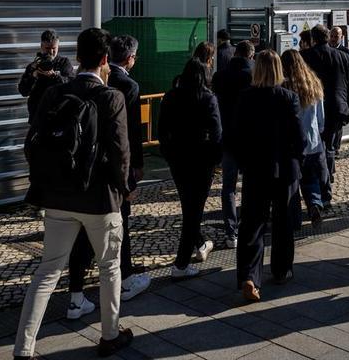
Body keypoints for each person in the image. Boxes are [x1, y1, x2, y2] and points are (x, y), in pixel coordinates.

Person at [13, 28, 133, 359]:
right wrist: (124, 190)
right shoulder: (112, 98)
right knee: (110, 267)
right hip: (100, 199)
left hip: (58, 197)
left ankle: (23, 348)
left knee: (48, 270)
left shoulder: (55, 93)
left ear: (77, 57)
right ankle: (109, 335)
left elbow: (32, 143)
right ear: (106, 60)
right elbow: (121, 153)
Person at [64, 36, 150, 320]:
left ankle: (75, 296)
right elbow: (126, 137)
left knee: (73, 240)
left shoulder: (65, 88)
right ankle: (121, 287)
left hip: (72, 177)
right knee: (117, 230)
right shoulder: (123, 89)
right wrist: (130, 175)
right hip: (107, 176)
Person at [230, 50, 304, 303]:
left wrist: (243, 162)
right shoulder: (289, 98)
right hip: (284, 168)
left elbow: (236, 135)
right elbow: (298, 136)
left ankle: (250, 276)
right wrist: (297, 159)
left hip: (255, 169)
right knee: (283, 221)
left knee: (252, 223)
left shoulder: (246, 98)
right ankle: (282, 269)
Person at [158, 58, 223, 277]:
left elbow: (161, 130)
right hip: (202, 159)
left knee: (189, 206)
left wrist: (168, 154)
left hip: (178, 158)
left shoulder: (170, 96)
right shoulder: (208, 99)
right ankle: (181, 264)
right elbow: (216, 133)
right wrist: (216, 159)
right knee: (194, 210)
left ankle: (200, 243)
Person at [301, 24, 349, 205]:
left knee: (315, 148)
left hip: (313, 107)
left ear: (313, 39)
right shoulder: (342, 56)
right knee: (329, 147)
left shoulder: (305, 56)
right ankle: (328, 179)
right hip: (336, 109)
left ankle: (319, 185)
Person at [212, 40, 254, 249]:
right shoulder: (254, 76)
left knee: (228, 187)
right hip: (249, 139)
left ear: (235, 53)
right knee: (250, 184)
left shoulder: (220, 76)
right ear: (251, 56)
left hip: (228, 138)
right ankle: (249, 226)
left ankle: (231, 232)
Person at [281, 49, 327, 228]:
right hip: (313, 141)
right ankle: (315, 204)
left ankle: (294, 217)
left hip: (293, 142)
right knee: (311, 178)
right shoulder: (313, 82)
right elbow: (321, 117)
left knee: (292, 181)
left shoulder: (285, 86)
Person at [18, 29, 76, 120]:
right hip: (37, 118)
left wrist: (55, 76)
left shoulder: (64, 63)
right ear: (41, 46)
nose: (51, 52)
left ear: (58, 46)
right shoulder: (34, 65)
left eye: (54, 48)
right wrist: (33, 76)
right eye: (47, 48)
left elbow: (72, 84)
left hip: (59, 116)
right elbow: (23, 91)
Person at [328, 26, 349, 114]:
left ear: (341, 37)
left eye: (336, 37)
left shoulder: (348, 53)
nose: (333, 39)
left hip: (341, 93)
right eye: (331, 36)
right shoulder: (326, 51)